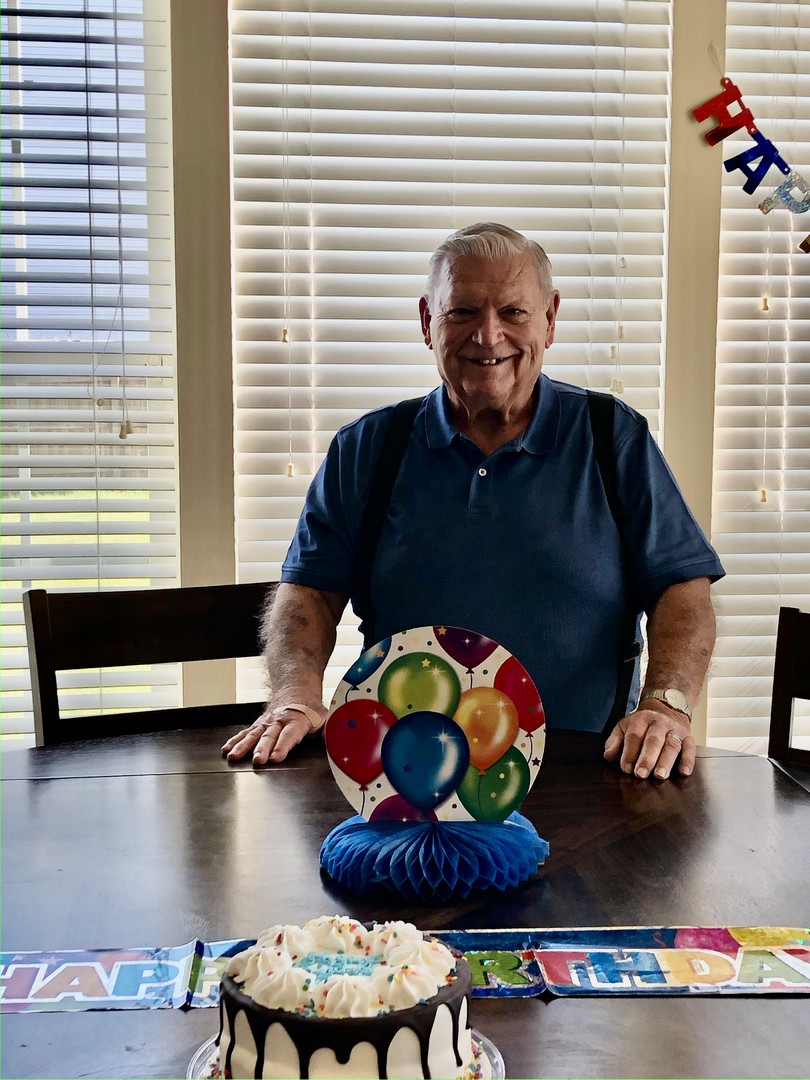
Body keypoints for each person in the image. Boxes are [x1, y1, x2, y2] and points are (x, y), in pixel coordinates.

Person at [222, 223, 724, 780]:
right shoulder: (366, 448)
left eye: (513, 312)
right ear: (427, 322)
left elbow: (683, 589)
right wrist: (295, 696)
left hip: (589, 771)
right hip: (401, 775)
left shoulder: (614, 437)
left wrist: (666, 705)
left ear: (550, 319)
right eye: (461, 312)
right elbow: (310, 594)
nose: (488, 336)